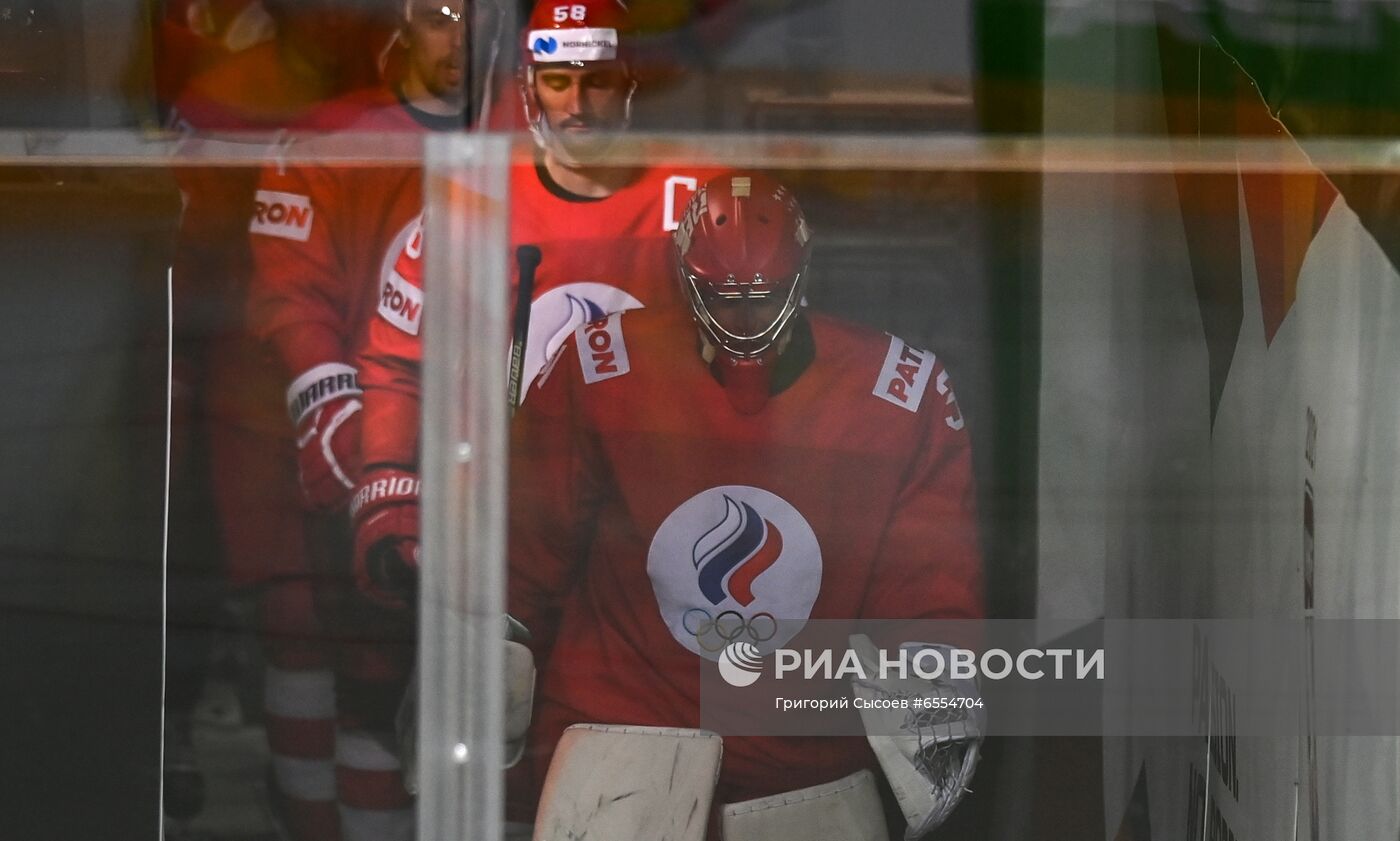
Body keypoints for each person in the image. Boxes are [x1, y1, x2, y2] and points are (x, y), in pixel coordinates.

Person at [505, 174, 984, 835]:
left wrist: (934, 677)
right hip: (620, 751)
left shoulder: (906, 394)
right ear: (686, 277)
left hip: (805, 776)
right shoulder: (598, 366)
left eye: (762, 296)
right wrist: (490, 639)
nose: (744, 320)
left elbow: (930, 585)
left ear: (802, 275)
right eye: (722, 295)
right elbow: (522, 551)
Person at [351, 0, 720, 609]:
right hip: (500, 525)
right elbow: (398, 361)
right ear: (528, 88)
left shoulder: (706, 197)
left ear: (629, 80)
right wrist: (388, 489)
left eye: (596, 80)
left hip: (663, 522)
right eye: (557, 81)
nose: (576, 105)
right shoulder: (470, 202)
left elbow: (757, 361)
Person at [243, 3, 487, 839]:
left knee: (466, 683)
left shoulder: (528, 139)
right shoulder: (332, 136)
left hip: (481, 450)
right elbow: (288, 287)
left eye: (483, 16)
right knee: (348, 656)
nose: (461, 38)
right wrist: (331, 398)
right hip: (363, 436)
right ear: (404, 24)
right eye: (442, 15)